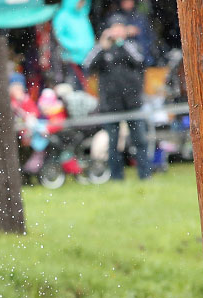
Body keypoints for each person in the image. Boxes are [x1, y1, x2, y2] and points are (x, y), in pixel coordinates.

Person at [83, 14, 152, 181]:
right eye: (114, 28)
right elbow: (87, 66)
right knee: (112, 144)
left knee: (140, 141)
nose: (117, 31)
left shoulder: (132, 45)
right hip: (110, 105)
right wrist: (102, 46)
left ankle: (145, 175)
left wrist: (123, 43)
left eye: (121, 28)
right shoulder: (102, 49)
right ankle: (116, 178)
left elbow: (140, 61)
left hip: (132, 103)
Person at [115, 0, 155, 67]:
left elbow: (150, 37)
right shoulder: (115, 17)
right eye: (124, 1)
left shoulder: (141, 17)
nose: (127, 3)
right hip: (122, 60)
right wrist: (125, 31)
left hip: (144, 57)